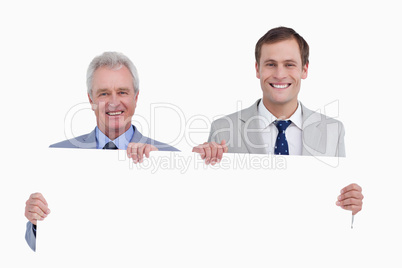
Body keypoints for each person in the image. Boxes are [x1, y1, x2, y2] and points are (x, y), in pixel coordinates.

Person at [192, 26, 363, 215]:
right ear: (257, 69)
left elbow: (340, 201)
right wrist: (197, 166)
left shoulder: (333, 130)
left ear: (304, 69)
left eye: (289, 64)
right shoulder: (224, 128)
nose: (280, 74)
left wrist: (353, 207)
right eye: (271, 64)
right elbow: (207, 200)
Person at [25, 52, 179, 251]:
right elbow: (35, 246)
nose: (114, 102)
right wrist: (36, 222)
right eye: (104, 93)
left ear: (136, 97)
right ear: (91, 100)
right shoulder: (59, 157)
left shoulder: (168, 155)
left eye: (122, 92)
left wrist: (161, 171)